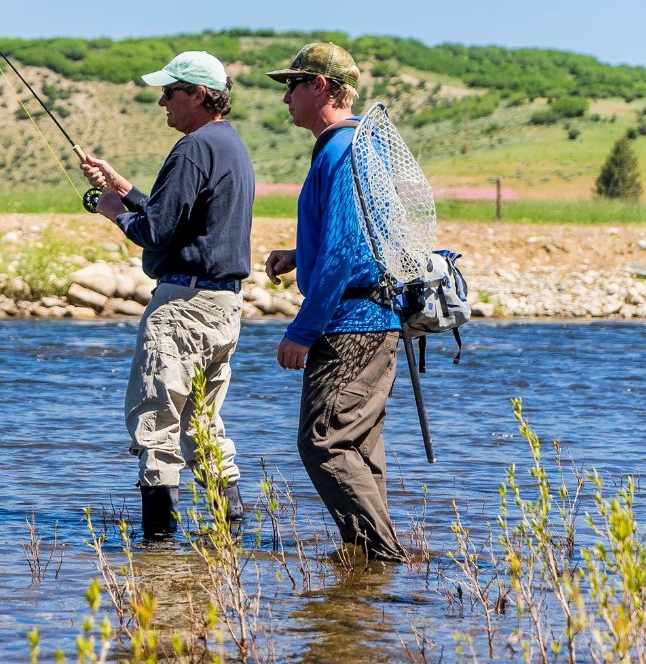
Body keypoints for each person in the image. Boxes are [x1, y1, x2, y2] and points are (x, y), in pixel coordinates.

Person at [80, 51, 254, 539]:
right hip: (223, 308)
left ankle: (157, 549)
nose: (162, 102)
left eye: (170, 92)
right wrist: (125, 188)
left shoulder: (194, 148)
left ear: (198, 95)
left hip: (183, 309)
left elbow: (156, 232)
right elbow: (184, 219)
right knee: (204, 428)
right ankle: (230, 536)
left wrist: (114, 212)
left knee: (156, 426)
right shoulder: (229, 145)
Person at [263, 42, 409, 561]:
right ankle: (367, 574)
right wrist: (300, 252)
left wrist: (302, 331)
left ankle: (384, 557)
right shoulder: (353, 146)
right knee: (359, 448)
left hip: (352, 323)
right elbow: (350, 238)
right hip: (373, 318)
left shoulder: (341, 149)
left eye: (292, 85)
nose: (285, 98)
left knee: (323, 443)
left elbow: (346, 251)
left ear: (319, 87)